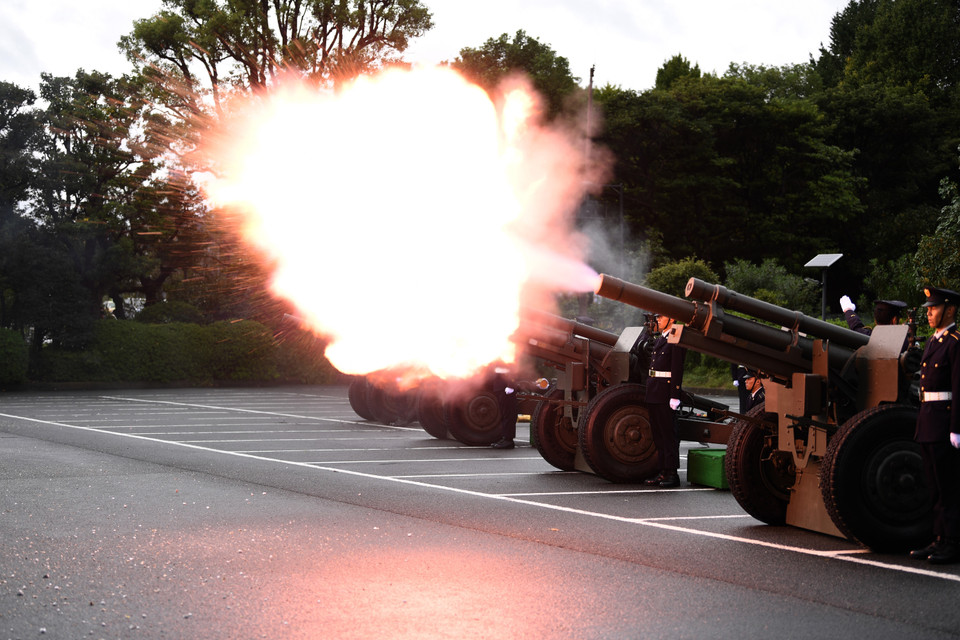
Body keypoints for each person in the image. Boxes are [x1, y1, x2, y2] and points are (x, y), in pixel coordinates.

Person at [909, 286, 960, 565]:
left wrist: (956, 428)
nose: (928, 312)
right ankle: (939, 538)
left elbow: (958, 387)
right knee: (934, 486)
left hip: (945, 423)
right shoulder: (933, 341)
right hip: (929, 419)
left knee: (948, 485)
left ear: (949, 310)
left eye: (934, 307)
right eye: (928, 308)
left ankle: (952, 541)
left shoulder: (955, 342)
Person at [643, 314, 686, 488]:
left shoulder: (675, 338)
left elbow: (677, 368)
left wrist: (674, 395)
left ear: (672, 319)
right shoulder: (662, 338)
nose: (658, 321)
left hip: (665, 393)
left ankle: (671, 473)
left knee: (668, 435)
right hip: (655, 390)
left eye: (661, 317)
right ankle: (663, 471)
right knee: (659, 434)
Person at [839, 295, 907, 336]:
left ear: (875, 320)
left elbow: (857, 328)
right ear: (894, 320)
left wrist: (848, 310)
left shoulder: (868, 337)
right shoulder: (902, 341)